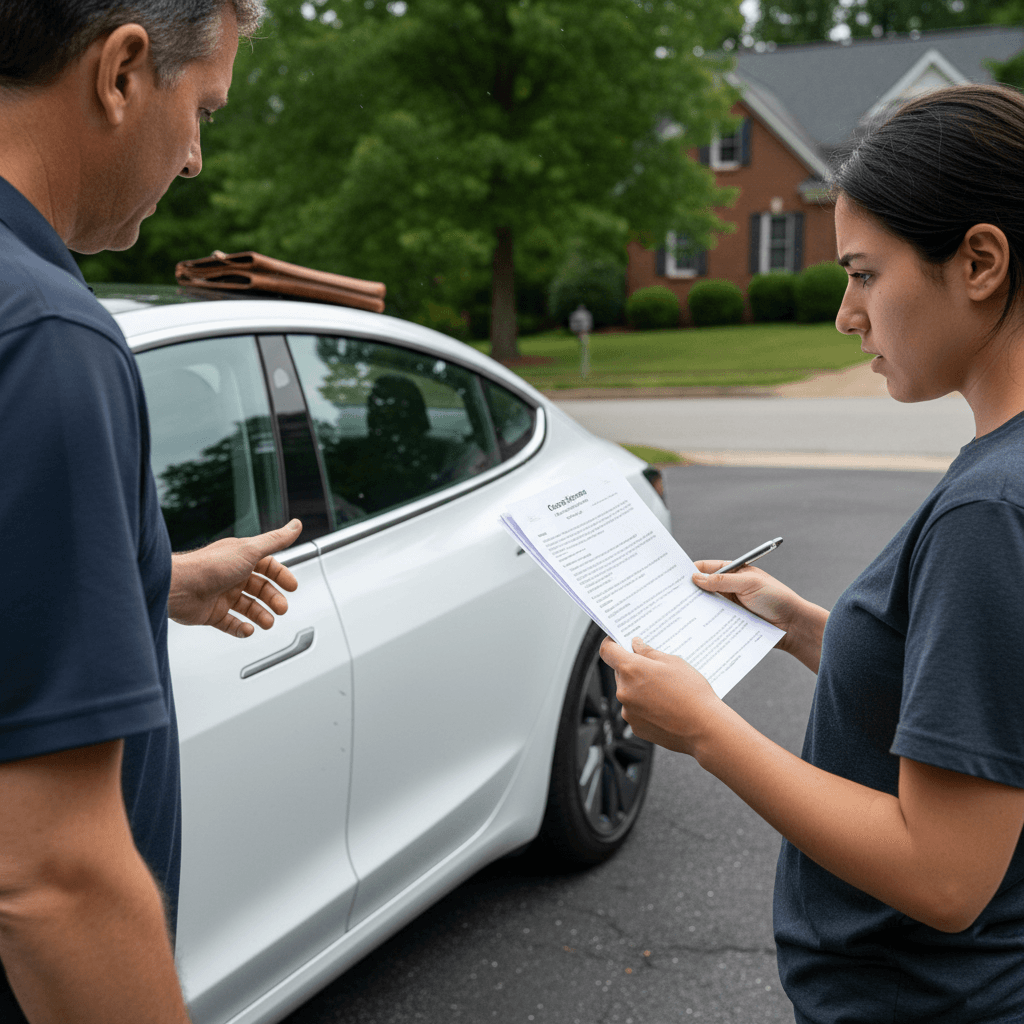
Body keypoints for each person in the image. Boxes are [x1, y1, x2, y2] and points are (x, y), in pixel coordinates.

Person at [601, 83, 1024, 1023]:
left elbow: (946, 873)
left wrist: (705, 729)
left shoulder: (991, 508)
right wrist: (802, 626)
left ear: (981, 260)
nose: (846, 313)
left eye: (865, 274)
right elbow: (980, 708)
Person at [0, 1, 303, 1021]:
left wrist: (146, 579)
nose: (196, 159)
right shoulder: (47, 335)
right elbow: (50, 879)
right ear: (123, 71)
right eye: (203, 108)